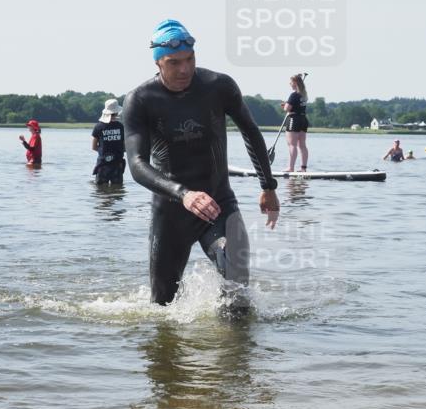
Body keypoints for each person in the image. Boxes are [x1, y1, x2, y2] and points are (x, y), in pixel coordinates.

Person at [123, 19, 279, 306]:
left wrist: (268, 186)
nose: (185, 69)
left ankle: (232, 331)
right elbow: (136, 164)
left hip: (219, 204)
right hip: (171, 211)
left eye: (190, 59)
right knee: (162, 307)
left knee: (237, 285)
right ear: (158, 63)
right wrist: (184, 194)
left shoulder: (218, 86)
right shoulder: (141, 100)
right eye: (174, 62)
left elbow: (250, 131)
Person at [92, 99, 126, 184]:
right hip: (117, 164)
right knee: (118, 189)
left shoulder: (98, 126)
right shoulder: (120, 127)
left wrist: (104, 152)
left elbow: (94, 147)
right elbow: (124, 146)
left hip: (103, 164)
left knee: (100, 190)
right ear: (117, 112)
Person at [281, 73, 309, 172]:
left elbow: (287, 108)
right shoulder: (304, 95)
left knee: (292, 144)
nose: (290, 84)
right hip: (303, 119)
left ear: (295, 83)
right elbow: (298, 105)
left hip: (294, 119)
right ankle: (303, 168)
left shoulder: (294, 95)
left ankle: (291, 168)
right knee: (302, 145)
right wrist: (288, 105)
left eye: (291, 82)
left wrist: (285, 106)